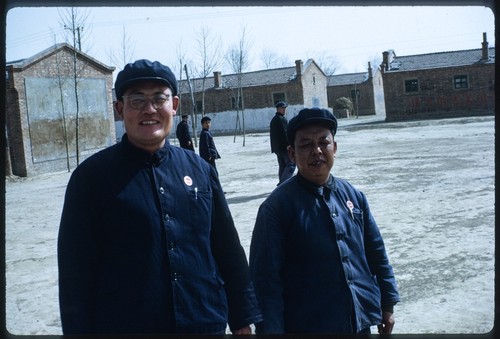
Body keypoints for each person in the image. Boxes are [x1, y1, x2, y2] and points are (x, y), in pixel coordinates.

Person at [58, 59, 262, 335]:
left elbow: (226, 247)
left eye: (159, 98)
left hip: (203, 320)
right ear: (120, 109)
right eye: (137, 100)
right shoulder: (91, 179)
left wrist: (242, 316)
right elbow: (75, 275)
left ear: (174, 105)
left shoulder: (199, 170)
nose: (149, 109)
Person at [249, 107, 400, 334]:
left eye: (323, 142)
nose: (317, 150)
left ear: (335, 148)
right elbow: (265, 283)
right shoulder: (276, 208)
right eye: (306, 144)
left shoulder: (353, 197)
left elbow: (377, 253)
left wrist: (387, 303)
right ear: (291, 153)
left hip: (357, 323)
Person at [269, 101, 296, 185]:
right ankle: (284, 183)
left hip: (277, 148)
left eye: (285, 108)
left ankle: (281, 183)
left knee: (283, 166)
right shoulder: (280, 119)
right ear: (278, 109)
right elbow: (284, 133)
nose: (284, 110)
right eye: (282, 108)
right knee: (291, 164)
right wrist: (288, 144)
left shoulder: (274, 119)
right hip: (283, 148)